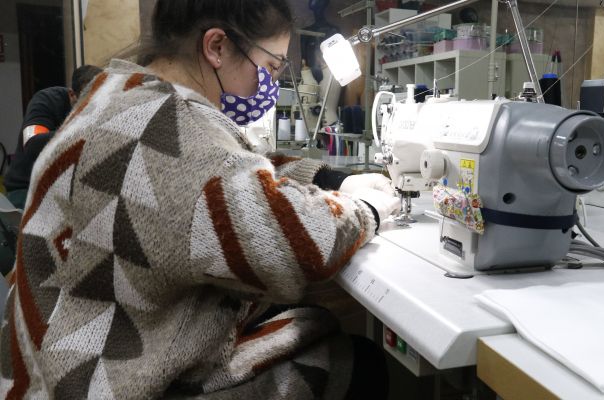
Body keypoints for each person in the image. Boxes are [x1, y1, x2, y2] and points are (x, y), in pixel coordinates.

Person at [0, 1, 399, 399]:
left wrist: (330, 179)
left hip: (49, 366)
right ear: (217, 47)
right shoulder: (173, 131)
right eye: (271, 66)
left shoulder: (117, 95)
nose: (267, 85)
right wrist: (367, 211)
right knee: (353, 359)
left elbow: (229, 169)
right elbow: (299, 244)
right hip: (99, 382)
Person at [4, 65, 103, 209]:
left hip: (68, 192)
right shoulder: (46, 100)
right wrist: (81, 130)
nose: (92, 108)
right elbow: (32, 143)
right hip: (27, 189)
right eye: (86, 101)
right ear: (71, 94)